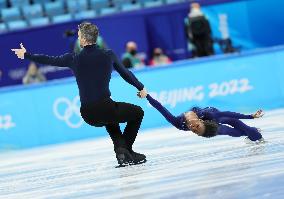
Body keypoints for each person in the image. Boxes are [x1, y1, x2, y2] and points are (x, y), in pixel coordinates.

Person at [12, 22, 148, 166]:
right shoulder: (108, 55)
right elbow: (125, 73)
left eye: (78, 36)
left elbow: (49, 59)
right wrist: (140, 87)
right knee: (138, 113)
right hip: (105, 107)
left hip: (87, 113)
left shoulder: (73, 58)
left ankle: (122, 153)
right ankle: (126, 150)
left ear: (83, 39)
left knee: (111, 120)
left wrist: (26, 55)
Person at [139, 93, 264, 142]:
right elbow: (227, 114)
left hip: (215, 116)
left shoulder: (177, 122)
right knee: (229, 130)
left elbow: (160, 108)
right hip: (213, 122)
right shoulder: (207, 118)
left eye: (194, 128)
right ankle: (253, 133)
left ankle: (252, 132)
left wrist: (147, 96)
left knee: (238, 124)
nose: (192, 127)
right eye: (195, 128)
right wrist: (251, 116)